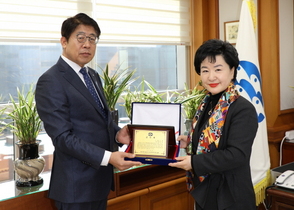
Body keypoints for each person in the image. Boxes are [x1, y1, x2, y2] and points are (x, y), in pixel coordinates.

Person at [35, 13, 141, 210]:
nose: (87, 44)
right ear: (64, 41)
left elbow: (99, 121)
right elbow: (63, 138)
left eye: (92, 39)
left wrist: (118, 134)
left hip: (98, 183)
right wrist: (109, 157)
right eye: (81, 37)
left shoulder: (91, 75)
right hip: (75, 187)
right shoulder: (51, 81)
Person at [169, 39, 258, 210]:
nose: (211, 77)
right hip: (206, 192)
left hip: (230, 198)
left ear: (232, 71)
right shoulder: (207, 103)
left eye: (218, 69)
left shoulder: (243, 109)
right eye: (205, 70)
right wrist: (189, 142)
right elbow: (209, 140)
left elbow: (236, 155)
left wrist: (194, 163)